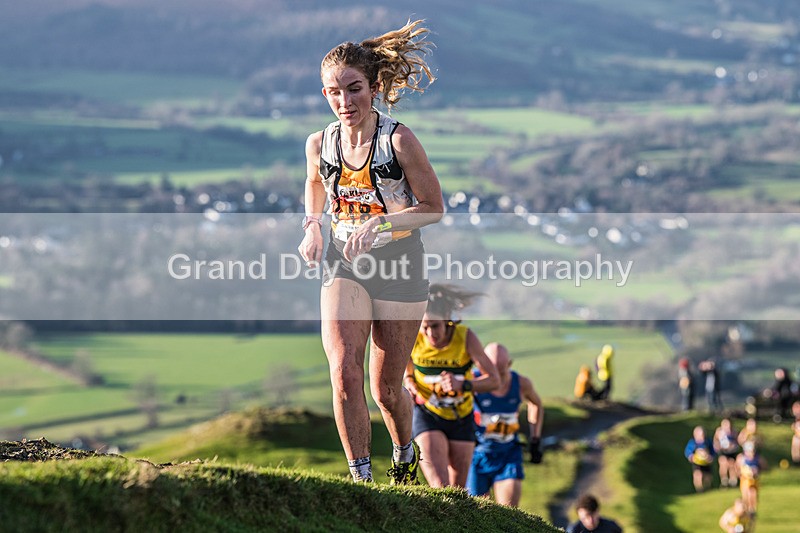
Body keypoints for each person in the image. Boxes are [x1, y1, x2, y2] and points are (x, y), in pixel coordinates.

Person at [297, 20, 442, 484]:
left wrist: (381, 223)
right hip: (344, 262)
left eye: (354, 89)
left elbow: (434, 209)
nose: (345, 102)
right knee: (343, 372)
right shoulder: (320, 143)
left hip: (400, 263)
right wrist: (312, 227)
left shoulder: (398, 141)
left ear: (374, 87)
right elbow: (314, 184)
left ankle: (403, 454)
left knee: (385, 389)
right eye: (333, 93)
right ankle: (362, 482)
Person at [403, 284, 499, 488]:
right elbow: (406, 369)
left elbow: (493, 380)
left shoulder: (465, 337)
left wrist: (463, 384)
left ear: (447, 319)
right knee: (440, 485)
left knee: (457, 490)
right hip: (427, 414)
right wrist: (409, 382)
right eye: (424, 326)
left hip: (461, 417)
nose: (430, 333)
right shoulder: (413, 336)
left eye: (435, 326)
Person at [467, 343, 544, 506]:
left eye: (501, 372)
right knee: (476, 512)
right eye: (491, 372)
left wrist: (535, 439)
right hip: (477, 454)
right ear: (482, 366)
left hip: (508, 453)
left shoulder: (521, 384)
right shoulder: (472, 382)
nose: (497, 379)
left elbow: (536, 404)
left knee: (508, 510)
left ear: (509, 364)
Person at [736, 440, 766, 513]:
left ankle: (752, 510)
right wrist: (743, 473)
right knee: (746, 496)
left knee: (753, 494)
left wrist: (756, 471)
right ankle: (746, 511)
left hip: (754, 480)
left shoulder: (758, 458)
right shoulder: (741, 458)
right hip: (745, 480)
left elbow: (764, 467)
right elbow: (737, 469)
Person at [684, 425, 716, 492]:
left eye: (703, 434)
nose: (701, 437)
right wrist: (691, 456)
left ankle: (708, 488)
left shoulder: (708, 442)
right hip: (697, 462)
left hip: (706, 462)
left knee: (707, 477)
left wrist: (711, 457)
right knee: (698, 475)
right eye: (699, 435)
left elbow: (713, 451)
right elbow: (688, 451)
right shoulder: (693, 443)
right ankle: (699, 490)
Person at [713, 418, 741, 488]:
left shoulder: (734, 432)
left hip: (732, 451)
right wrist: (718, 446)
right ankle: (724, 480)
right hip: (723, 451)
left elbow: (738, 441)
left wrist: (733, 445)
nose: (727, 426)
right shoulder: (719, 431)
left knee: (732, 464)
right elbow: (715, 441)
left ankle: (733, 480)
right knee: (723, 463)